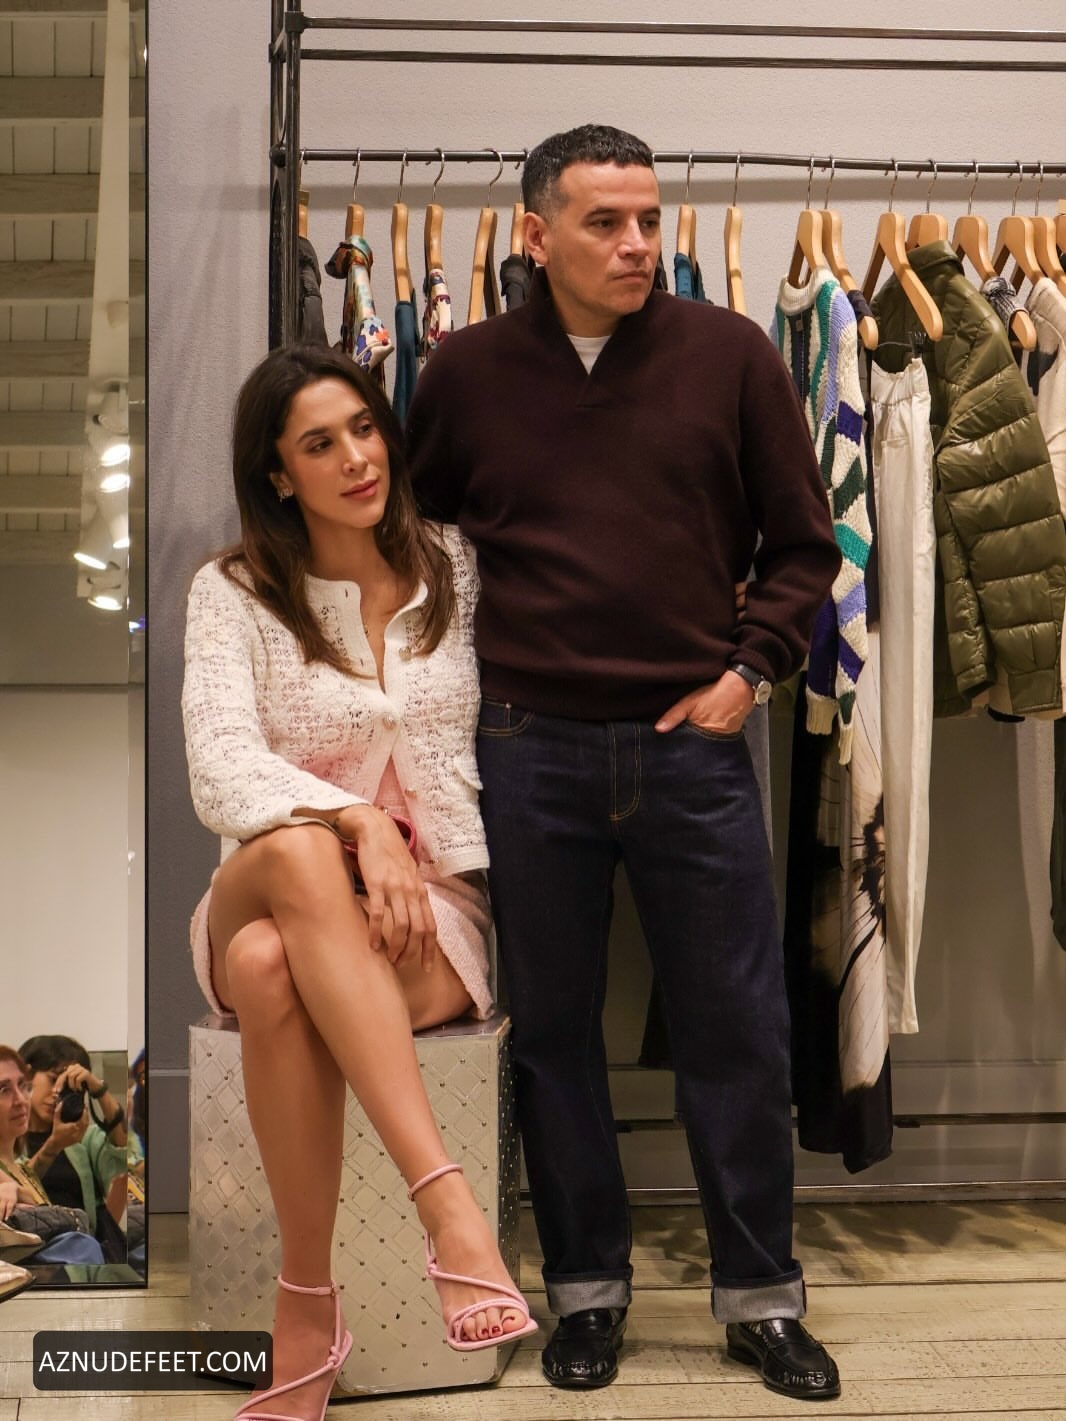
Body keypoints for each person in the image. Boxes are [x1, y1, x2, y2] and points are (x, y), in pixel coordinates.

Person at [406, 124, 844, 1402]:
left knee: (737, 1032)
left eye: (649, 217)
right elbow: (421, 546)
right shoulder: (465, 371)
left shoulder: (731, 353)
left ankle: (761, 1299)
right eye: (604, 221)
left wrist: (745, 673)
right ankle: (585, 1294)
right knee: (551, 1035)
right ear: (535, 235)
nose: (638, 242)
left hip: (690, 742)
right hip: (524, 745)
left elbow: (804, 546)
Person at [181, 346, 537, 1421]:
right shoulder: (231, 591)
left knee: (267, 967)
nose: (355, 458)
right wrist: (355, 822)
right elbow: (219, 765)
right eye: (319, 443)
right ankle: (450, 1214)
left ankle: (305, 1305)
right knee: (295, 864)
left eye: (366, 428)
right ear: (278, 473)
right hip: (267, 875)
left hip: (429, 905)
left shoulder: (455, 568)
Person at [18, 1034, 128, 1260]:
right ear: (27, 1078)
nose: (56, 1093)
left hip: (83, 1247)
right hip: (26, 1250)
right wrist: (53, 1146)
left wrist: (98, 1089)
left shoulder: (81, 1137)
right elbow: (16, 1187)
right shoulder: (9, 1138)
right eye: (53, 1079)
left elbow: (121, 1162)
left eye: (67, 1086)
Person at [0, 1044, 106, 1267]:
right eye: (3, 1090)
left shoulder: (21, 1168)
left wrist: (18, 1191)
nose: (20, 1100)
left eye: (22, 1086)